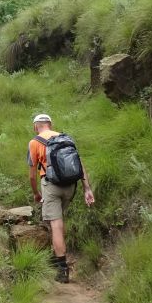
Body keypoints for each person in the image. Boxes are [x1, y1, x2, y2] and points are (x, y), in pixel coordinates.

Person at [27, 113, 94, 283]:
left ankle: (62, 270)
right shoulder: (66, 138)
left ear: (36, 126)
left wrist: (36, 193)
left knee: (55, 225)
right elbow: (79, 165)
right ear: (50, 124)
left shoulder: (34, 142)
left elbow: (32, 176)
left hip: (51, 186)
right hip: (70, 186)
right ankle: (56, 253)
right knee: (59, 221)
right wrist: (87, 188)